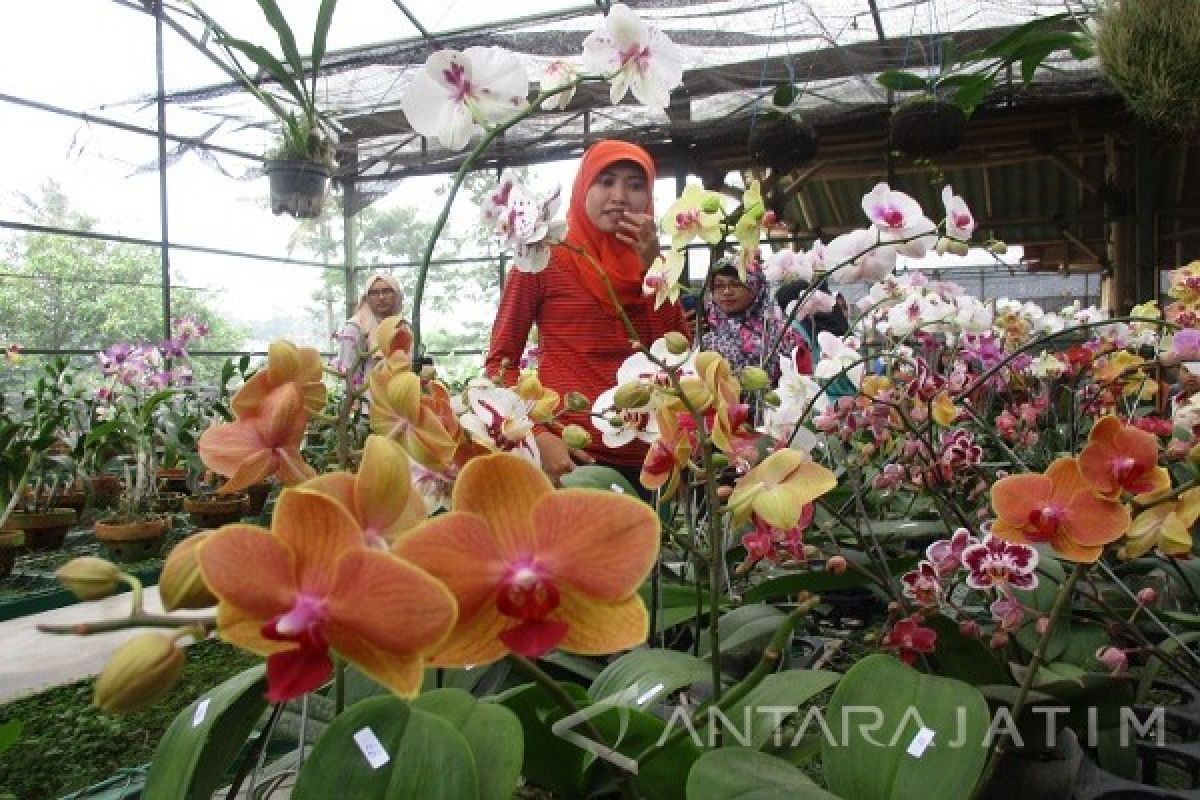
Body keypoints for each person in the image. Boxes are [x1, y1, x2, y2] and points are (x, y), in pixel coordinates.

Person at [486, 140, 690, 488]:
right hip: (569, 460)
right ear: (583, 188)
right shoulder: (542, 256)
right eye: (606, 181)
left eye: (635, 185)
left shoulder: (657, 265)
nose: (620, 196)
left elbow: (678, 356)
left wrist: (655, 268)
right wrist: (537, 436)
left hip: (653, 459)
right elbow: (499, 365)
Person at [702, 257, 812, 384]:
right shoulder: (705, 333)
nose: (726, 292)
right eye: (719, 286)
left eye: (736, 284)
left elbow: (805, 382)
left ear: (756, 287)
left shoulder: (783, 335)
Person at [336, 272, 406, 382]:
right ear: (366, 297)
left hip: (398, 393)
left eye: (387, 291)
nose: (381, 297)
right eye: (374, 293)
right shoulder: (355, 327)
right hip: (366, 394)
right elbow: (347, 370)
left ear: (397, 295)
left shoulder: (403, 326)